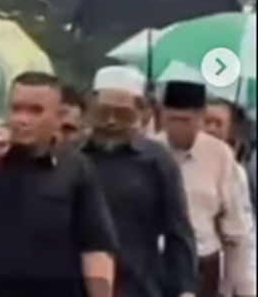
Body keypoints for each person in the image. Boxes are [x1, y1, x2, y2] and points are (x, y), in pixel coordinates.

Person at [0, 71, 118, 297]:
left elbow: (95, 248)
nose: (23, 119)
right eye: (16, 109)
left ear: (58, 116)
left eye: (35, 111)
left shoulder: (77, 168)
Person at [82, 66, 197, 297]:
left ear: (141, 114)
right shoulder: (72, 157)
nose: (111, 122)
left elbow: (178, 232)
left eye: (122, 115)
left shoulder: (157, 162)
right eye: (104, 113)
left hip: (139, 286)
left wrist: (185, 290)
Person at [155, 81, 256, 297]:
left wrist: (238, 289)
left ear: (200, 118)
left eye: (186, 121)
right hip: (154, 263)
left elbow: (237, 234)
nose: (179, 128)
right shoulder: (147, 151)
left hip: (202, 265)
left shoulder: (220, 156)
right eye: (173, 120)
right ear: (162, 116)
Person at [203, 98, 257, 296]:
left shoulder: (235, 173)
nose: (210, 129)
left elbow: (244, 236)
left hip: (219, 275)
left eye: (218, 124)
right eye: (206, 121)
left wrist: (248, 290)